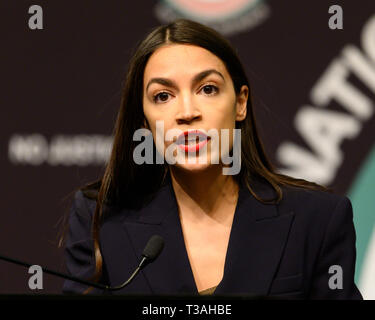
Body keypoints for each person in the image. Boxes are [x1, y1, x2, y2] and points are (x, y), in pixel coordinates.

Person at [61, 19, 363, 299]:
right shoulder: (100, 219)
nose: (187, 112)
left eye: (207, 89)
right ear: (145, 123)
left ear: (240, 103)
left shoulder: (317, 219)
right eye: (163, 96)